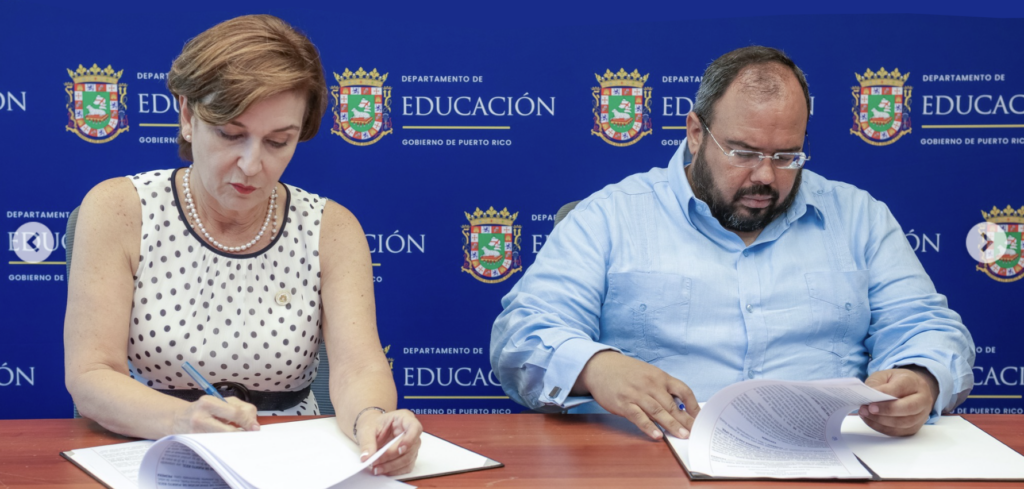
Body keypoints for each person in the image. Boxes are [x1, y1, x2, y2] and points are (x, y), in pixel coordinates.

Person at [490, 46, 974, 441]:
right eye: (743, 153)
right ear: (696, 133)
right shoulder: (611, 216)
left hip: (829, 455)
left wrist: (921, 377)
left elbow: (924, 324)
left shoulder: (859, 217)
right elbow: (521, 335)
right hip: (657, 458)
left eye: (787, 156)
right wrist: (597, 367)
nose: (765, 176)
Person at [64, 15, 420, 476]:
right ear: (188, 116)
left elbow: (357, 370)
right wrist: (181, 420)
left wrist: (372, 420)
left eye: (278, 142)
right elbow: (91, 375)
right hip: (155, 450)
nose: (252, 165)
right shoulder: (119, 209)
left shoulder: (332, 227)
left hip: (293, 462)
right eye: (232, 135)